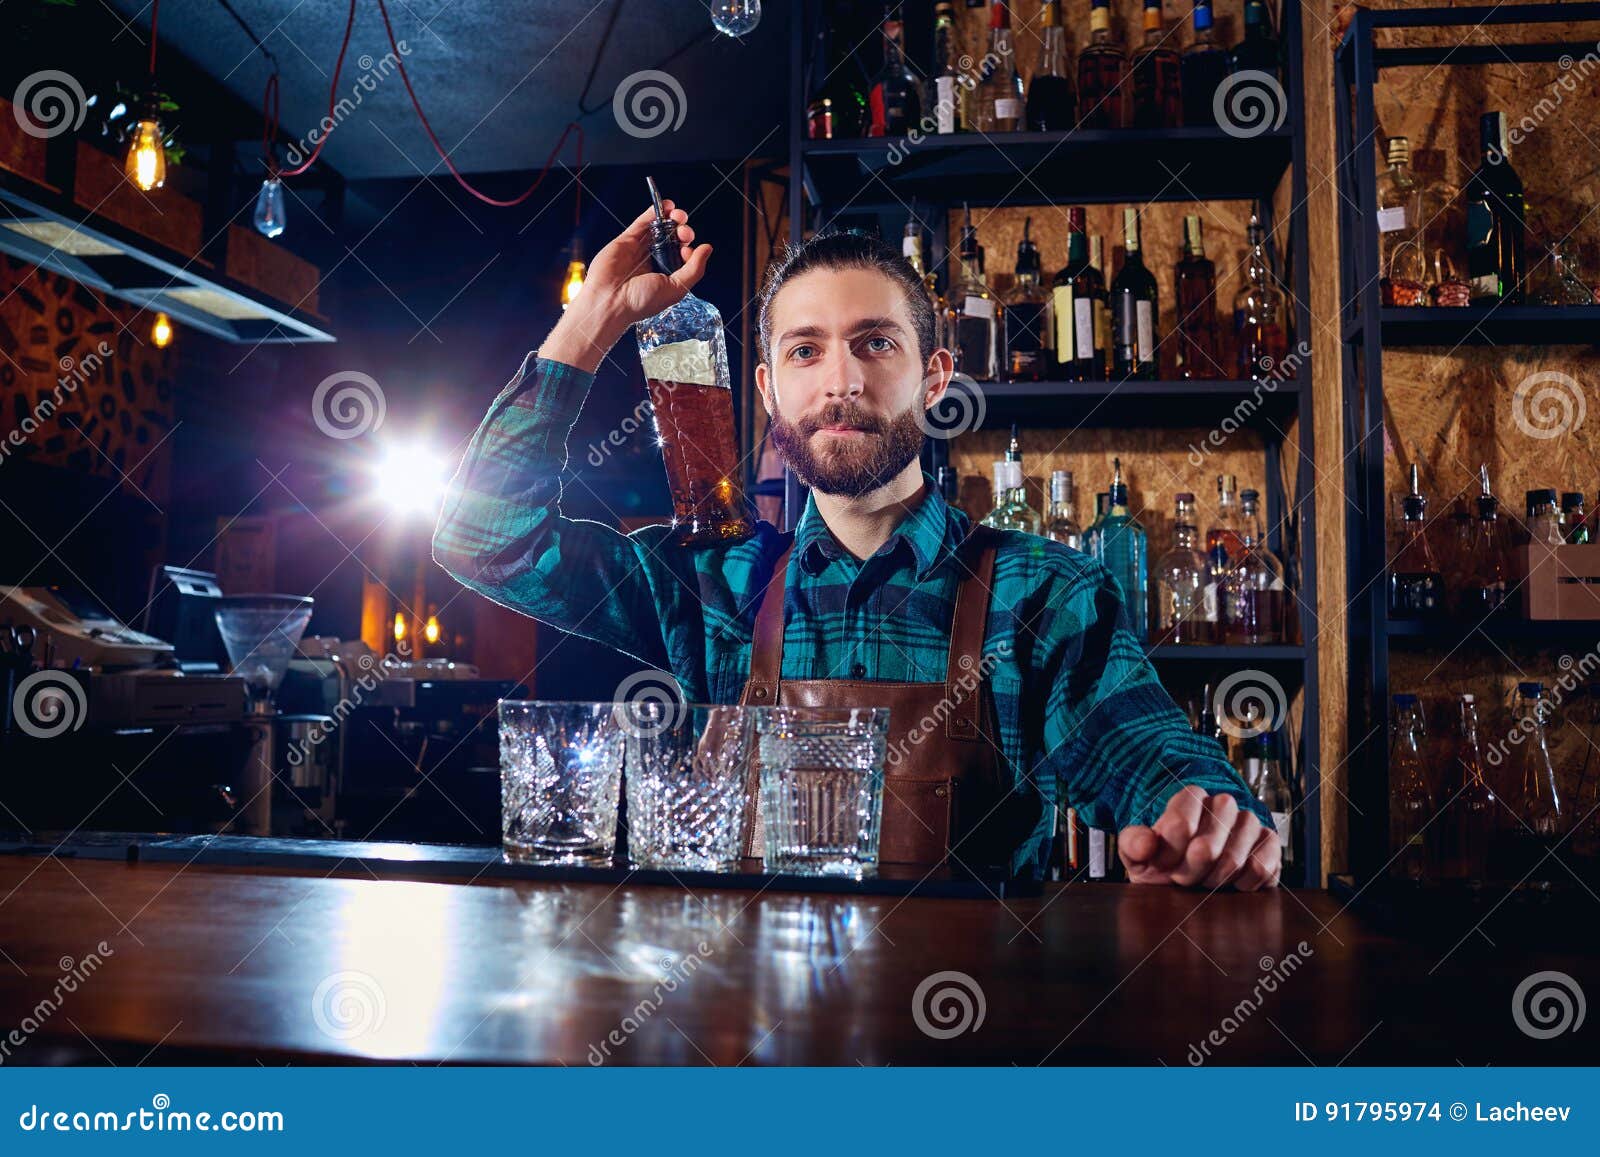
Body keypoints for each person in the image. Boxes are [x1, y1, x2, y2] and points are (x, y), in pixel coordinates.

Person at [433, 199, 1282, 889]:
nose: (840, 381)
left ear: (935, 377)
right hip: (748, 1036)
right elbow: (483, 537)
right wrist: (593, 319)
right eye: (805, 351)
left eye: (875, 343)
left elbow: (1144, 747)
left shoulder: (1044, 593)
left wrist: (1201, 814)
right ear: (769, 391)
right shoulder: (708, 584)